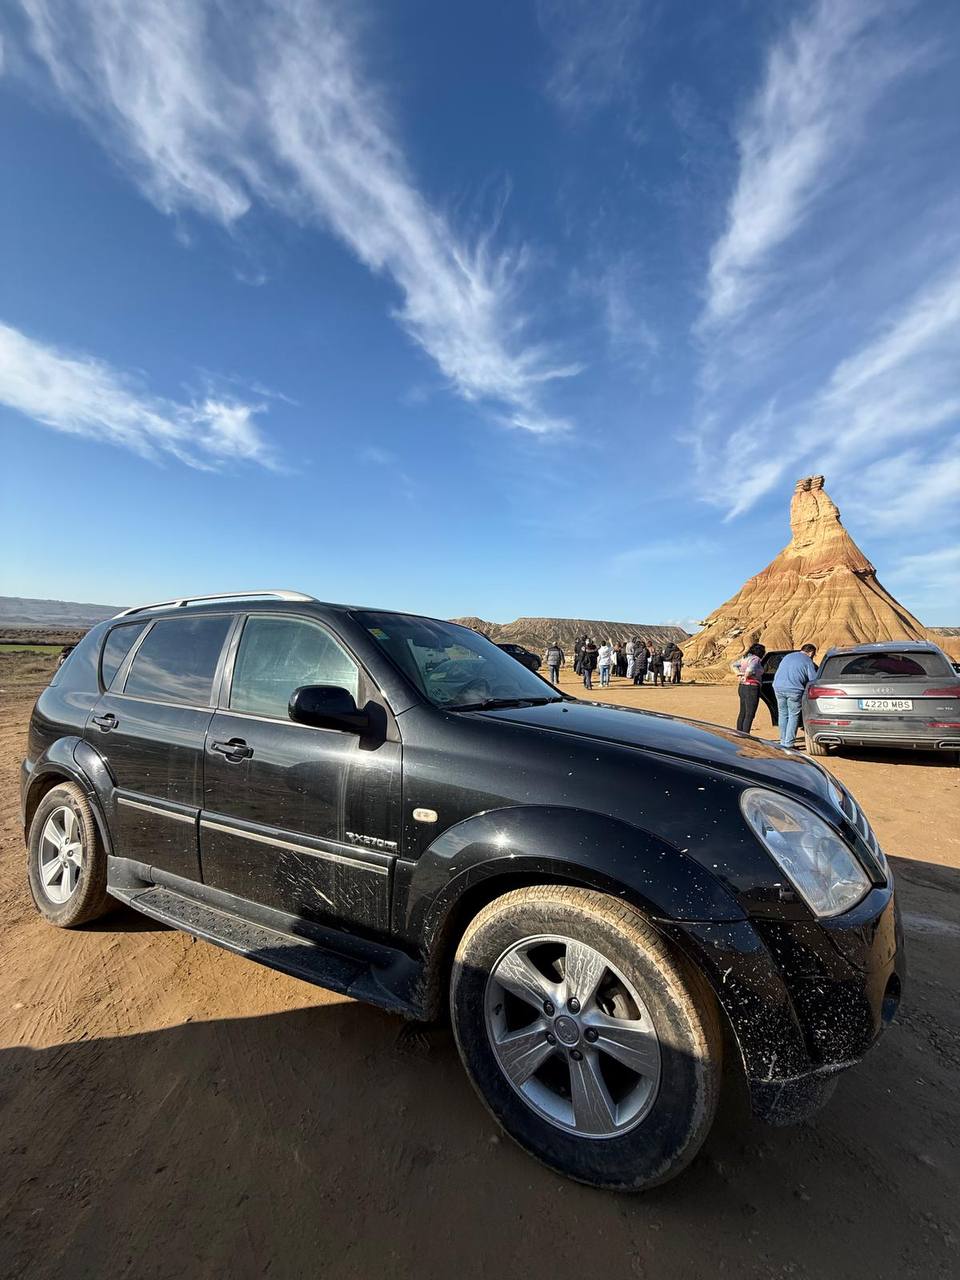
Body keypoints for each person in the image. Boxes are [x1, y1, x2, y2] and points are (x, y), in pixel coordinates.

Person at [773, 644, 818, 748]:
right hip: (794, 689)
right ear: (811, 653)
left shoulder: (788, 656)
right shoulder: (807, 661)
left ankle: (783, 740)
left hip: (778, 687)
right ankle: (789, 743)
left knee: (783, 714)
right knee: (793, 715)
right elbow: (813, 679)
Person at [732, 643, 766, 732]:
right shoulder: (755, 659)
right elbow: (750, 670)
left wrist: (739, 674)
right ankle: (746, 735)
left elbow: (733, 665)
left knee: (742, 712)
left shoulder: (745, 658)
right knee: (749, 714)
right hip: (752, 688)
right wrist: (745, 675)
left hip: (742, 687)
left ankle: (739, 734)